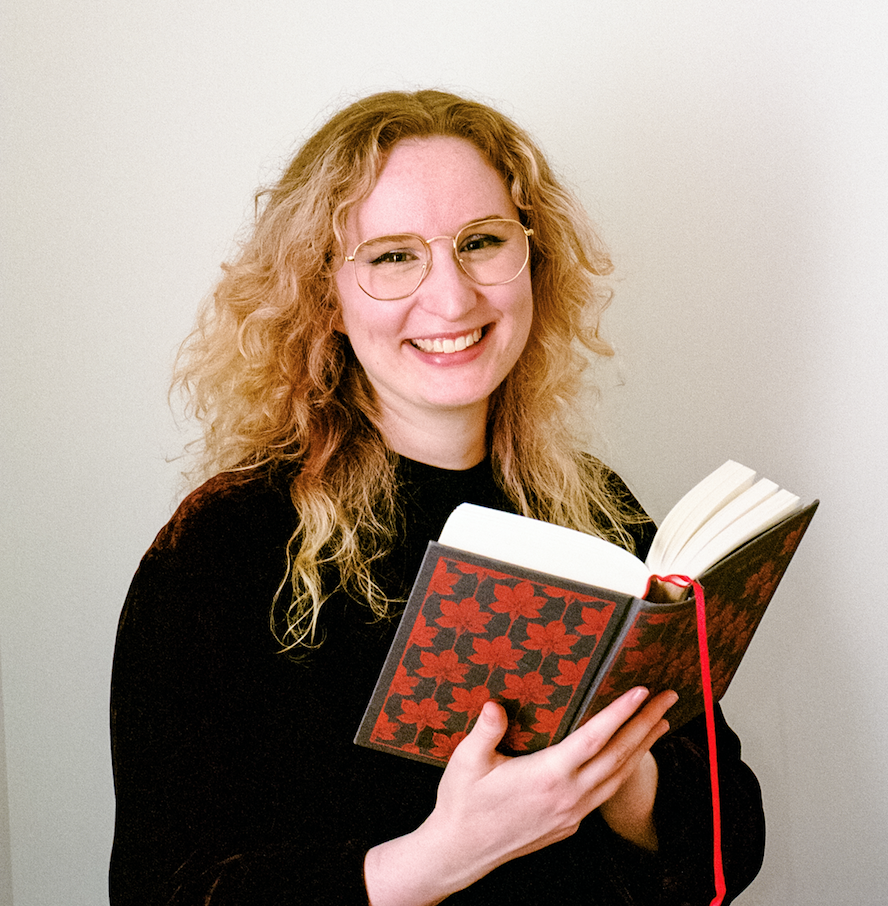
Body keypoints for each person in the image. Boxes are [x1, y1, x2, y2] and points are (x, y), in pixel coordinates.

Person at [110, 89, 765, 905]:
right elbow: (159, 889)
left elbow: (732, 846)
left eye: (481, 243)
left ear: (534, 259)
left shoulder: (598, 510)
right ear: (325, 297)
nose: (451, 299)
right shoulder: (223, 545)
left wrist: (624, 779)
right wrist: (443, 856)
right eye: (392, 256)